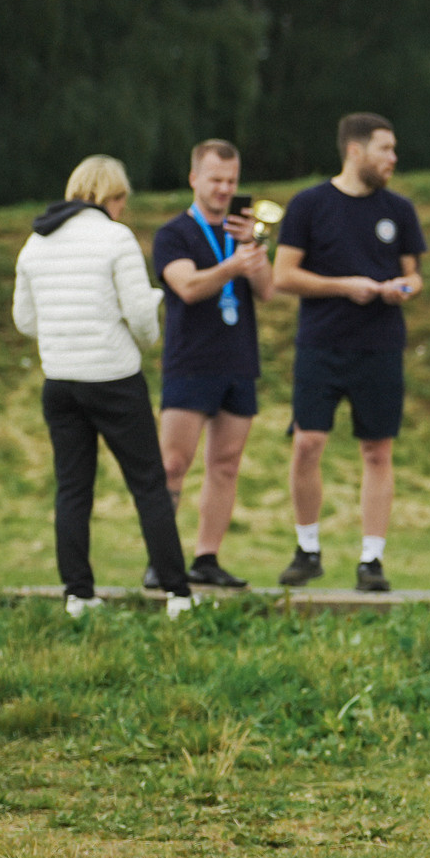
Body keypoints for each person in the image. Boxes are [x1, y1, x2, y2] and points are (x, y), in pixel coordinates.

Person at [11, 155, 195, 619]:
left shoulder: (36, 241)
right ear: (112, 197)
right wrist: (152, 312)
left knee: (73, 488)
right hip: (113, 379)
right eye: (122, 201)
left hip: (60, 382)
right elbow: (140, 317)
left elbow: (24, 320)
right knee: (149, 485)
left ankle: (78, 595)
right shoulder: (116, 238)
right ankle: (177, 594)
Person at [274, 112, 427, 592]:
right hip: (320, 344)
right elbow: (283, 276)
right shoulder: (308, 205)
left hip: (380, 346)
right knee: (307, 444)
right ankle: (308, 548)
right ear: (355, 151)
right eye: (385, 149)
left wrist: (403, 288)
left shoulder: (399, 210)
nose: (393, 159)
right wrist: (347, 287)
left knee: (377, 451)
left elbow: (413, 274)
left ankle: (371, 560)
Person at [151, 139, 274, 589]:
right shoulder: (174, 234)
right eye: (215, 180)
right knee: (172, 465)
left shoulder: (244, 231)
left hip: (238, 361)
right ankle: (161, 559)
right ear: (194, 179)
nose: (224, 189)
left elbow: (268, 289)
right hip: (190, 361)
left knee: (225, 464)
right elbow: (186, 286)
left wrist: (253, 253)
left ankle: (207, 556)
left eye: (231, 181)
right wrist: (232, 265)